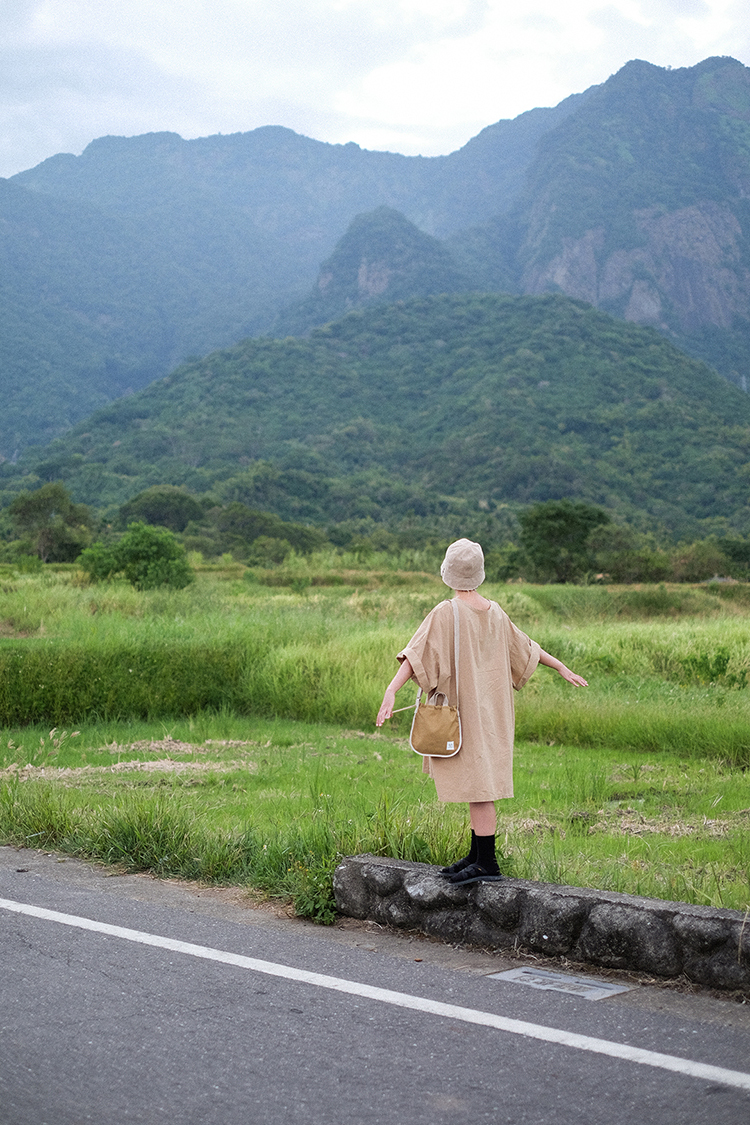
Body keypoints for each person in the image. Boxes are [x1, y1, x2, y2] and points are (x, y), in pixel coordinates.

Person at [376, 538, 588, 885]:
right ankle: (476, 855)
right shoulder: (496, 611)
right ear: (480, 573)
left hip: (467, 710)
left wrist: (391, 689)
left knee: (479, 784)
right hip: (493, 711)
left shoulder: (447, 612)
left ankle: (487, 862)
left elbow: (417, 656)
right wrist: (560, 666)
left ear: (447, 574)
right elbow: (528, 648)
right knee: (478, 779)